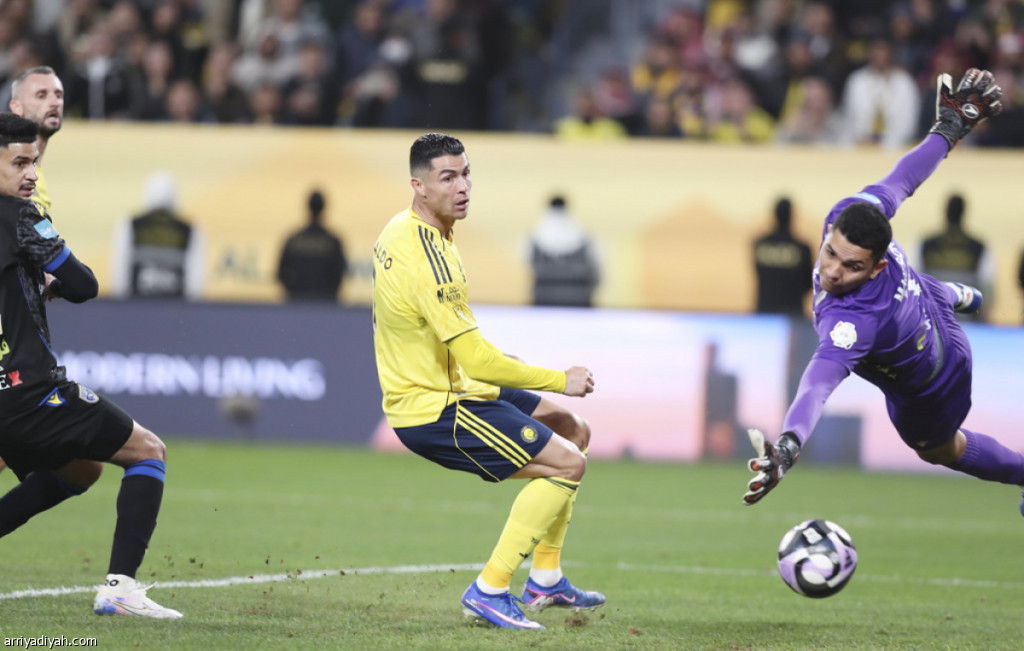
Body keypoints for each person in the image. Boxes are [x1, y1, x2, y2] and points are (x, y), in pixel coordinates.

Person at [743, 69, 1024, 517]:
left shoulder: (852, 321)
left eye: (852, 266)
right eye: (831, 253)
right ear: (830, 231)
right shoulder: (853, 213)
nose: (833, 272)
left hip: (933, 380)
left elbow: (817, 384)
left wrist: (789, 444)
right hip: (924, 301)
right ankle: (952, 294)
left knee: (940, 450)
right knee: (916, 289)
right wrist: (947, 129)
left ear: (875, 266)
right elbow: (904, 178)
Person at [372, 133, 604, 630]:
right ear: (419, 185)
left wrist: (486, 362)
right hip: (434, 407)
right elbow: (478, 361)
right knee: (568, 463)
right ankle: (490, 589)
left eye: (466, 174)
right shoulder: (428, 257)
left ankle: (546, 579)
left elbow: (444, 337)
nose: (462, 187)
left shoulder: (402, 229)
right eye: (448, 177)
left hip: (453, 383)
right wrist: (559, 379)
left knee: (574, 429)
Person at [0, 113, 180, 618]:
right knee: (148, 451)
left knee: (82, 469)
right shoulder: (21, 216)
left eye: (34, 162)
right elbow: (84, 285)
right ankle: (121, 588)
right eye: (19, 163)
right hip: (30, 390)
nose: (31, 173)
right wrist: (53, 283)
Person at [110, 171, 204, 300]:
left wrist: (121, 304)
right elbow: (196, 278)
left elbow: (120, 271)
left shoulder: (131, 225)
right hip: (176, 307)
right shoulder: (188, 229)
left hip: (137, 305)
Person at [919, 194, 992, 322]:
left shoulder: (926, 244)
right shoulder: (978, 247)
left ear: (945, 212)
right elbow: (987, 283)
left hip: (932, 315)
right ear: (964, 213)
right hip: (968, 316)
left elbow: (915, 278)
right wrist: (984, 315)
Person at [527, 195, 600, 308]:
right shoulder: (585, 237)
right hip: (576, 303)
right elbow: (597, 274)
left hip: (547, 305)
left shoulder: (533, 238)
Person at [8, 66, 63, 214]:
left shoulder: (34, 174)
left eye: (58, 95)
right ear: (17, 107)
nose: (55, 102)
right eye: (41, 95)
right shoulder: (7, 174)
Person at [277, 189, 347, 302]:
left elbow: (281, 274)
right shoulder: (333, 242)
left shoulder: (294, 240)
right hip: (326, 305)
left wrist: (294, 291)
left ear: (308, 207)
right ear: (323, 208)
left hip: (297, 304)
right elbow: (340, 274)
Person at [752, 197, 814, 317]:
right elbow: (809, 283)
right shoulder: (802, 248)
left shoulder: (760, 245)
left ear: (774, 214)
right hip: (793, 314)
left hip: (764, 313)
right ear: (791, 216)